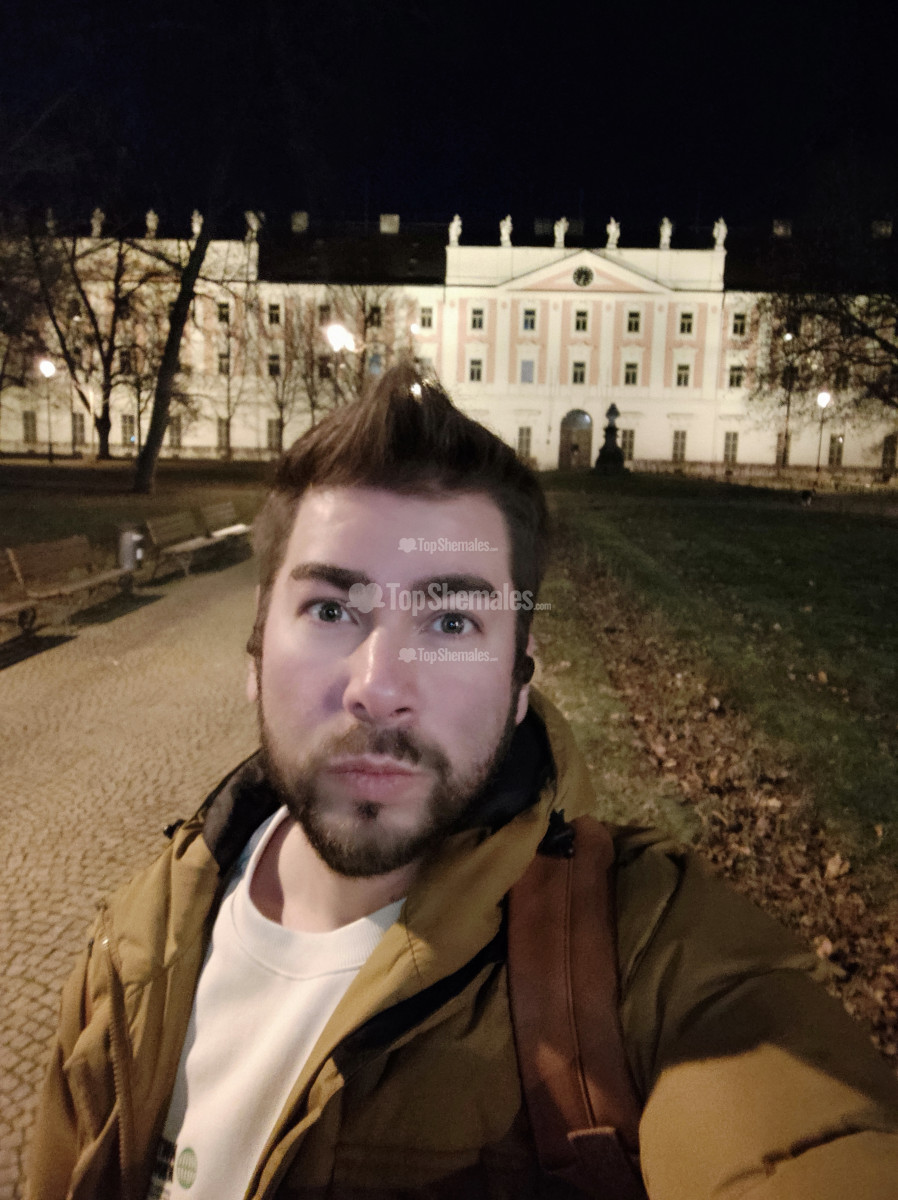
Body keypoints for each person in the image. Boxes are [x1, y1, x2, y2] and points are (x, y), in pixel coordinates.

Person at [28, 364, 898, 1200]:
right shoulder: (136, 946)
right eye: (331, 609)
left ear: (521, 682)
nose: (379, 686)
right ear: (254, 655)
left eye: (450, 621)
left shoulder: (644, 949)